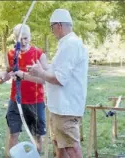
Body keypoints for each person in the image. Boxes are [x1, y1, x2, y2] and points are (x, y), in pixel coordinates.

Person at [26, 9, 88, 158]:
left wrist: (40, 73)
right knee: (60, 147)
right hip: (59, 108)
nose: (52, 31)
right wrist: (40, 71)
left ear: (59, 25)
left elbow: (60, 79)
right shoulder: (65, 44)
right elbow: (53, 73)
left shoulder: (71, 45)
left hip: (66, 108)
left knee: (71, 148)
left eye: (52, 27)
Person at [0, 24, 48, 155]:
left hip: (35, 101)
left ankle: (35, 155)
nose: (23, 42)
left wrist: (24, 75)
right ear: (15, 39)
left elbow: (45, 78)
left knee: (37, 137)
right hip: (16, 100)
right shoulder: (11, 53)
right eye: (20, 39)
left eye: (26, 38)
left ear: (30, 37)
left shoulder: (39, 54)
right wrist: (3, 76)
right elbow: (9, 71)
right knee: (13, 134)